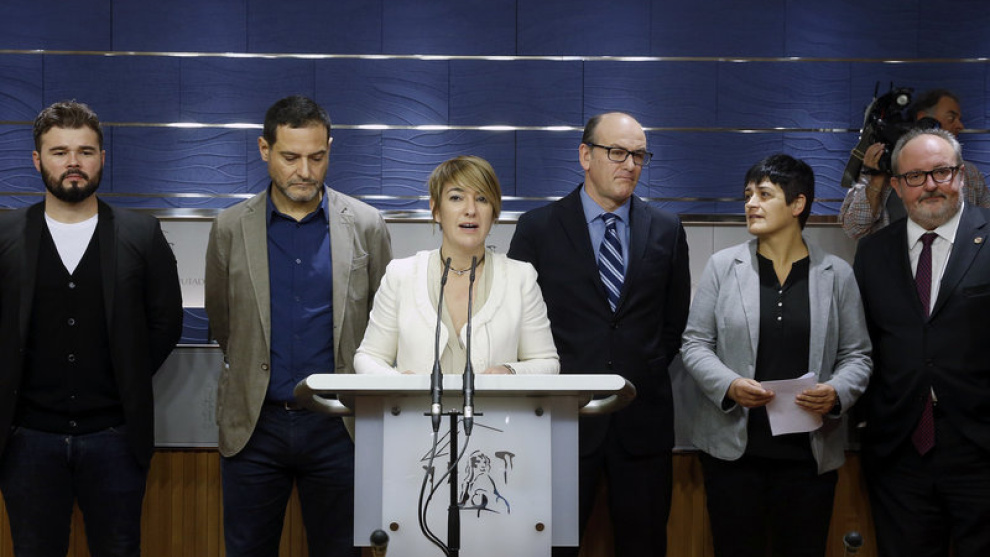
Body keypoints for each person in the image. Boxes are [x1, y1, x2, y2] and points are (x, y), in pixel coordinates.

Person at [204, 95, 392, 557]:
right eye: (290, 157)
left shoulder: (366, 225)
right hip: (255, 426)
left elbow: (383, 325)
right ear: (264, 149)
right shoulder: (229, 228)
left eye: (317, 157)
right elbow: (223, 323)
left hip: (340, 426)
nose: (304, 171)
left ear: (329, 149)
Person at [0, 100, 184, 556]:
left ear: (102, 158)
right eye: (59, 151)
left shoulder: (141, 235)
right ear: (37, 160)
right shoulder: (5, 235)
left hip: (116, 439)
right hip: (26, 441)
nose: (73, 162)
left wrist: (127, 372)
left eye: (85, 151)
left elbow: (166, 322)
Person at [508, 112, 691, 556]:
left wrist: (638, 367)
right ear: (585, 155)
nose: (630, 164)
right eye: (618, 152)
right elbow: (518, 324)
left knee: (645, 545)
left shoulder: (666, 228)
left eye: (639, 155)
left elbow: (672, 324)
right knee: (549, 547)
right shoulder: (538, 228)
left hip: (643, 422)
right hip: (561, 422)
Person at [681, 154, 872, 557]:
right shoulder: (723, 266)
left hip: (809, 457)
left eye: (764, 194)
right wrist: (730, 384)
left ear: (798, 204)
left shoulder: (837, 273)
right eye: (748, 195)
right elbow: (695, 343)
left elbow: (858, 355)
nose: (751, 203)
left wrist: (836, 392)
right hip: (733, 454)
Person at [854, 127, 990, 557]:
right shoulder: (873, 253)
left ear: (961, 175)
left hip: (980, 449)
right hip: (899, 452)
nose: (930, 185)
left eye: (941, 172)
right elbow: (864, 346)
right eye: (915, 176)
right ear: (896, 186)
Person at [354, 155, 558, 377]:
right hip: (415, 401)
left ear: (494, 211)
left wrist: (510, 372)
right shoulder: (401, 275)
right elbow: (368, 357)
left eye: (482, 199)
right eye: (456, 198)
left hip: (496, 401)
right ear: (436, 209)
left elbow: (546, 362)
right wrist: (399, 382)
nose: (470, 210)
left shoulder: (520, 277)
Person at [841, 89, 990, 239]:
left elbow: (986, 228)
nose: (960, 125)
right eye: (951, 118)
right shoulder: (877, 169)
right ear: (925, 121)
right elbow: (853, 229)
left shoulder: (969, 174)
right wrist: (876, 181)